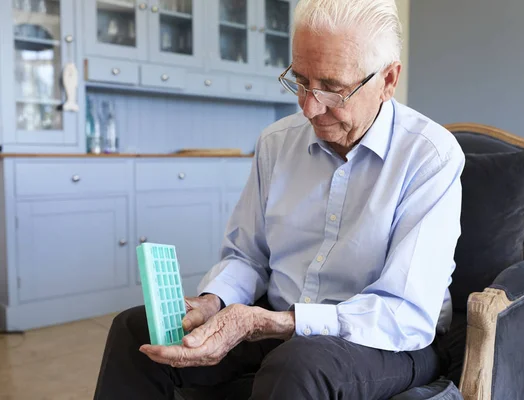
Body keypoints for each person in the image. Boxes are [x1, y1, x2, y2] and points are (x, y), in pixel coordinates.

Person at [94, 0, 465, 398]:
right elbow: (246, 256)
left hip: (385, 341)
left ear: (388, 80)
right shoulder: (276, 143)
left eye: (332, 89)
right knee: (134, 329)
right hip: (277, 326)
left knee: (296, 365)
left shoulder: (430, 156)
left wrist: (272, 323)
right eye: (300, 80)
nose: (309, 107)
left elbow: (406, 313)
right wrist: (212, 302)